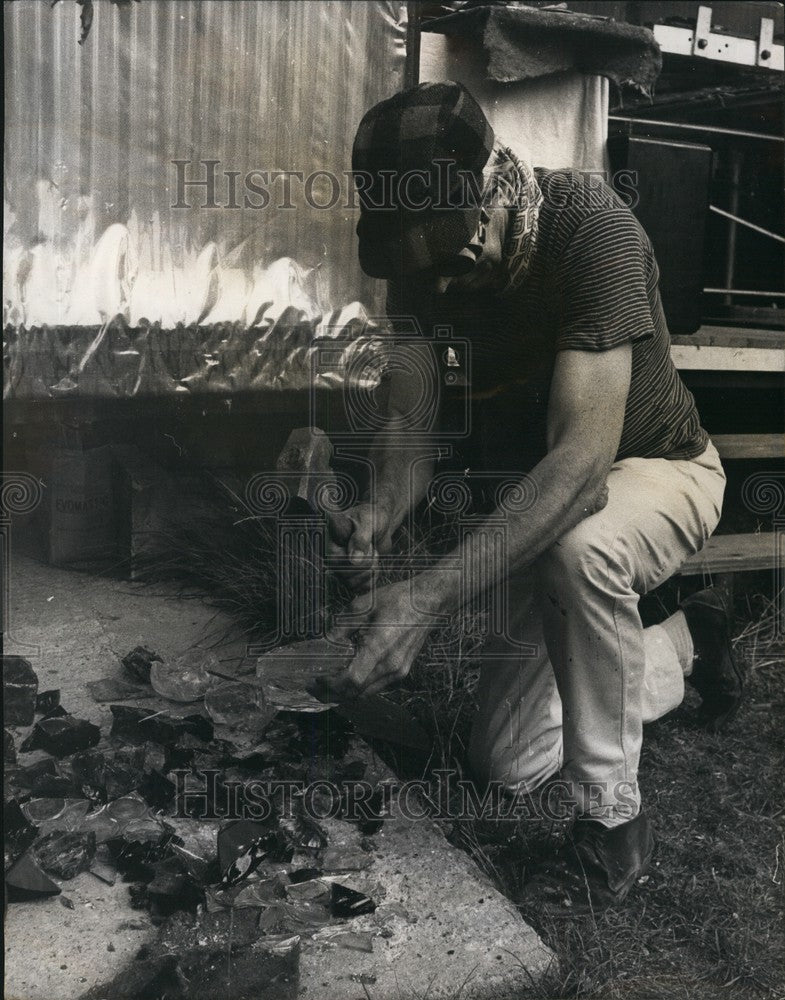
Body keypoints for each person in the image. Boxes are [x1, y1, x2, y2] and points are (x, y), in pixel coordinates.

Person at [326, 82, 743, 907]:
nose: (436, 286)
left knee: (577, 544)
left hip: (659, 469)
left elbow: (580, 466)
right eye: (417, 263)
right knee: (505, 766)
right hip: (551, 500)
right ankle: (692, 637)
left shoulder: (593, 231)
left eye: (450, 252)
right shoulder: (422, 266)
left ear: (495, 188)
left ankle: (611, 830)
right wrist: (377, 512)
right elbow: (413, 419)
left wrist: (426, 599)